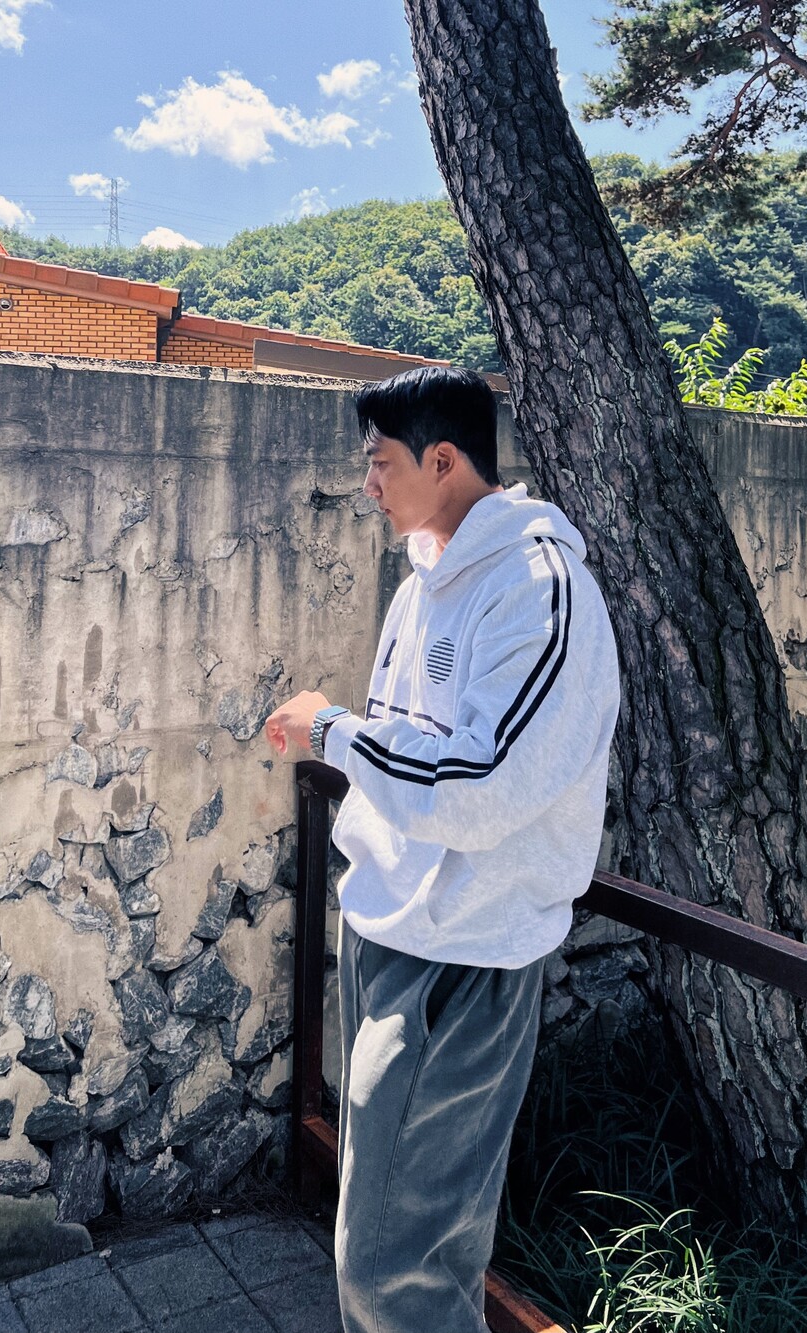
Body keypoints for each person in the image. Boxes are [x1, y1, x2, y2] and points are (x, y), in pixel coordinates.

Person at [265, 366, 620, 1333]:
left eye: (380, 462)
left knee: (393, 1263)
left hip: (465, 953)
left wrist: (330, 728)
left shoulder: (541, 588)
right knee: (404, 1243)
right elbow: (416, 751)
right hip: (389, 931)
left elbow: (478, 784)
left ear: (444, 460)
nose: (368, 484)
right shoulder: (427, 577)